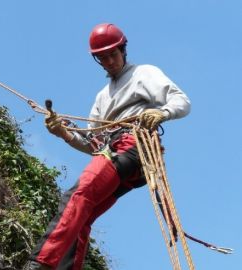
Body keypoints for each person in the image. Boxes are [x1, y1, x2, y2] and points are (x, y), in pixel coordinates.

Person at [24, 23, 191, 270]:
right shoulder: (102, 98)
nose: (110, 61)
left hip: (134, 145)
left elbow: (181, 101)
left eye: (113, 54)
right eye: (103, 58)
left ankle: (39, 263)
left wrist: (162, 112)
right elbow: (94, 144)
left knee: (78, 195)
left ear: (123, 50)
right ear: (97, 61)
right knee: (83, 215)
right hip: (117, 152)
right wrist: (64, 134)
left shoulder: (143, 74)